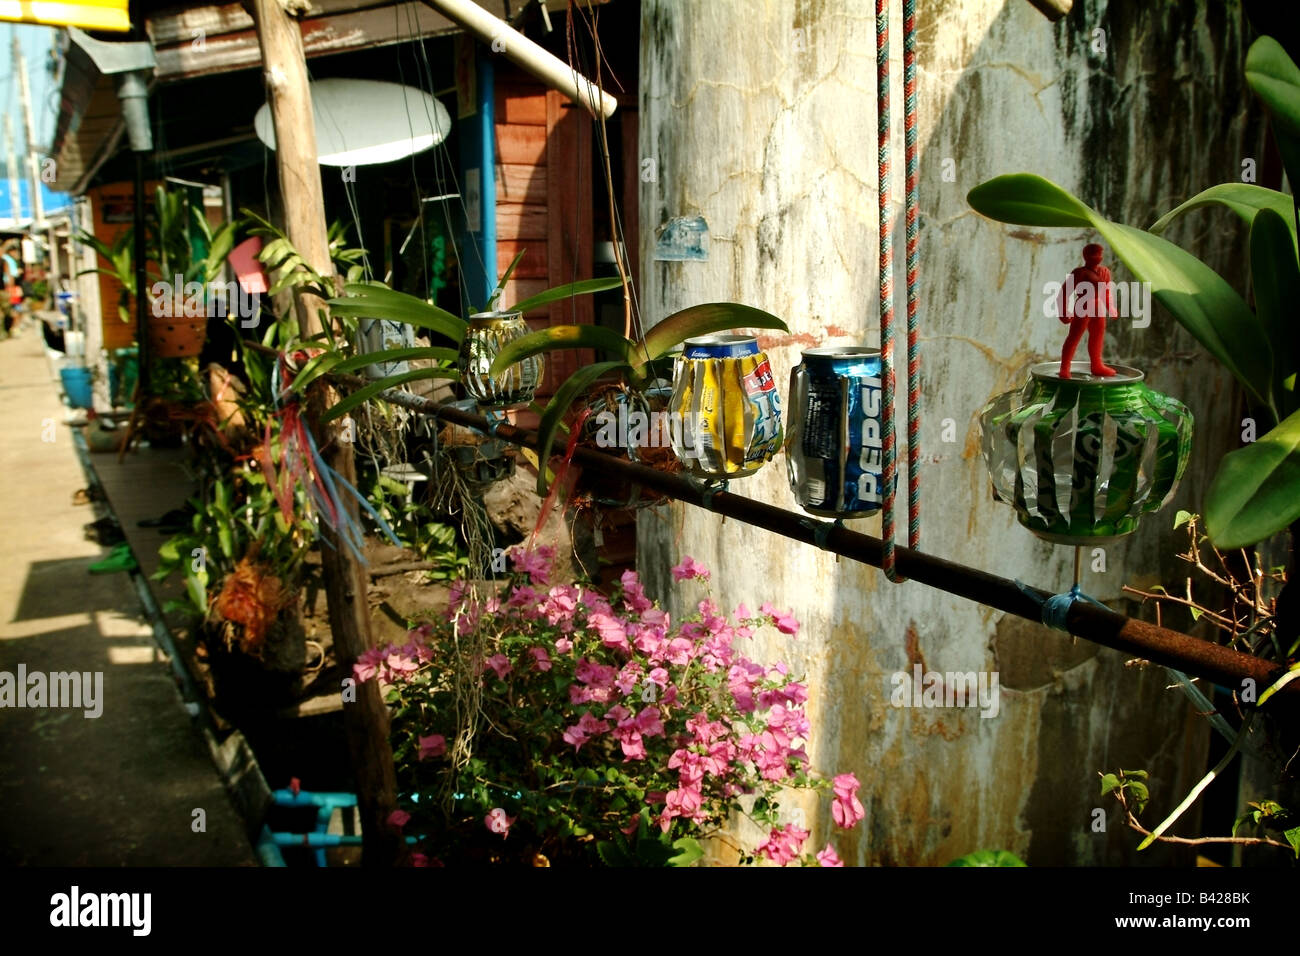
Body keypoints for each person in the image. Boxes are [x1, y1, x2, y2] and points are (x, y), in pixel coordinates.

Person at [1057, 243, 1117, 379]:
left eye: (1099, 254)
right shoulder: (1080, 272)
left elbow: (1106, 292)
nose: (1098, 257)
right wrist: (1063, 312)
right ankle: (1064, 367)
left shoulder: (1104, 272)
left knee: (1097, 336)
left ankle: (1097, 365)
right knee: (1074, 337)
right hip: (1082, 306)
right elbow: (1064, 293)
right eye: (1094, 254)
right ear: (1086, 256)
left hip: (1098, 308)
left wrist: (1111, 307)